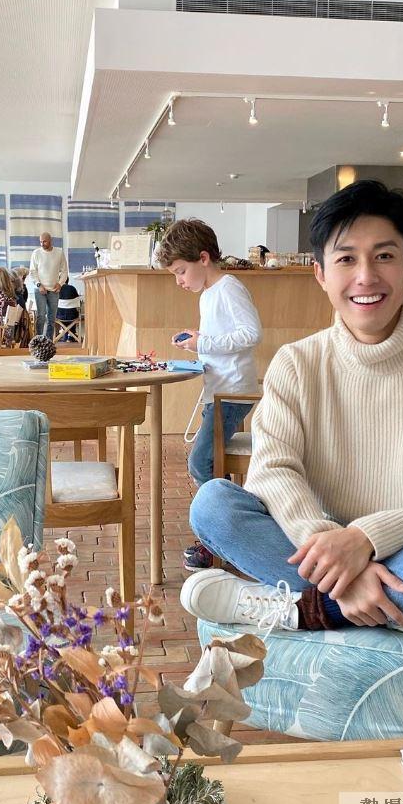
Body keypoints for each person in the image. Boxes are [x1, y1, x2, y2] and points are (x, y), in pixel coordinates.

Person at [180, 180, 403, 656]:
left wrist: (366, 539)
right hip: (325, 549)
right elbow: (273, 471)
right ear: (320, 273)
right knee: (213, 504)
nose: (366, 276)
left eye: (384, 256)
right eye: (347, 258)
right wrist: (333, 546)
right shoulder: (297, 363)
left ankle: (308, 610)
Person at [156, 218, 262, 571]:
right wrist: (198, 341)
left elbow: (251, 334)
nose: (179, 281)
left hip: (231, 393)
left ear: (203, 258)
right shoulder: (209, 294)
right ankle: (227, 532)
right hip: (219, 391)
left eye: (181, 271)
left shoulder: (229, 287)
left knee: (200, 463)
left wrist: (205, 342)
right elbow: (221, 338)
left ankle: (223, 534)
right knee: (208, 462)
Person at [29, 232, 68, 339]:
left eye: (44, 241)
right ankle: (38, 341)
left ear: (50, 241)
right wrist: (39, 285)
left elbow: (64, 271)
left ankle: (49, 341)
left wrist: (60, 284)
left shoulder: (59, 253)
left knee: (51, 318)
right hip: (40, 289)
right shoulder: (36, 253)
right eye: (40, 242)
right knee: (41, 316)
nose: (42, 244)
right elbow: (32, 272)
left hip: (54, 290)